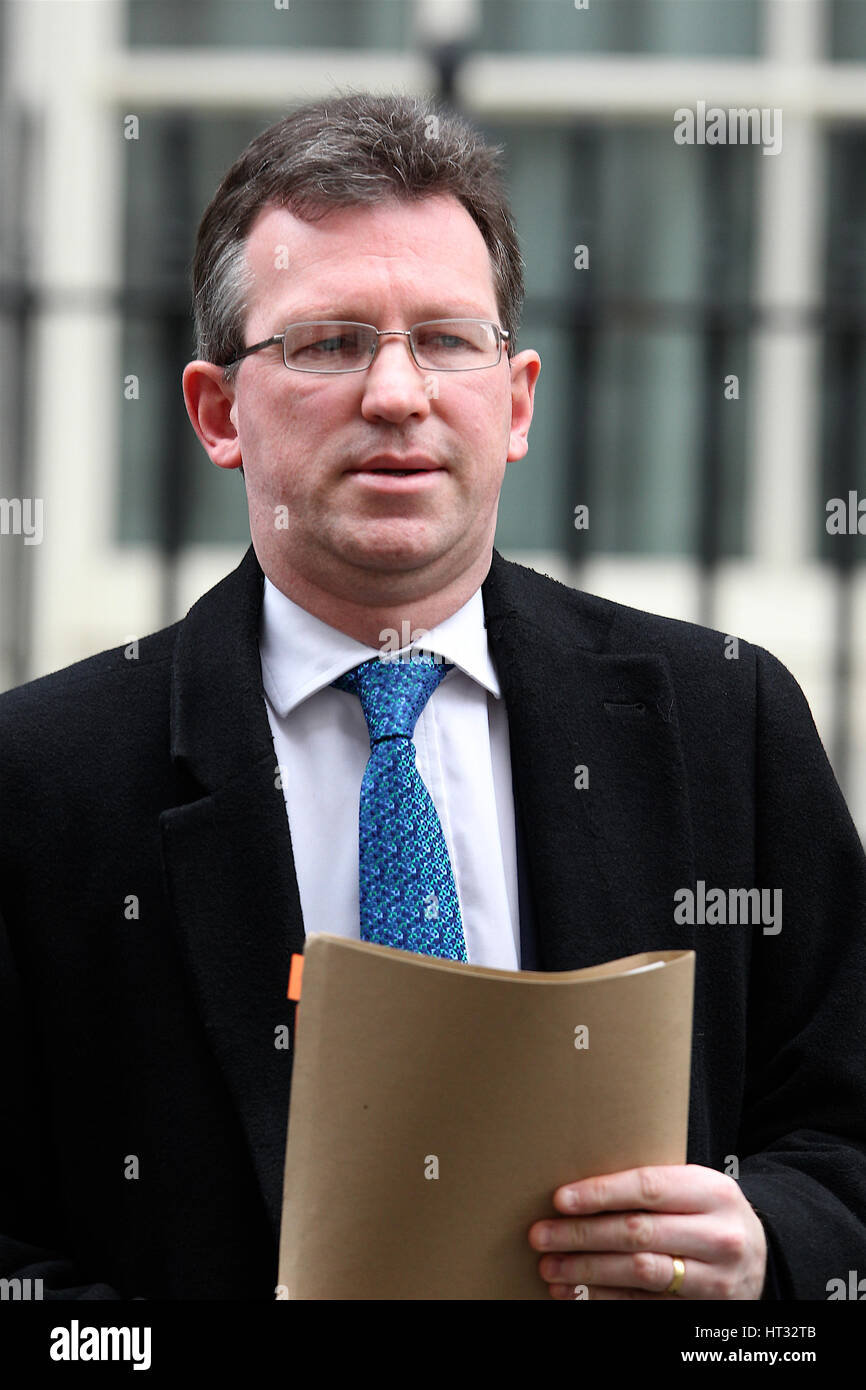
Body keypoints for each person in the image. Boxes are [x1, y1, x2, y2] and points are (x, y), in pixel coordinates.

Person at [1, 91, 865, 1303]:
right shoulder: (39, 777)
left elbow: (841, 1138)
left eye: (446, 339)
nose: (397, 395)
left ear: (512, 402)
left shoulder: (724, 720)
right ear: (214, 412)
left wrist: (766, 1246)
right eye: (329, 341)